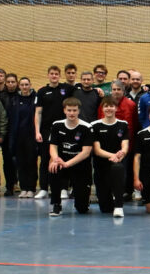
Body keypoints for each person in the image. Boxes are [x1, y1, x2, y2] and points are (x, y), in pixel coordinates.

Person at [46, 98, 91, 216]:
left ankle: (85, 200)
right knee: (53, 168)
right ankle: (56, 204)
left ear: (79, 111)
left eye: (74, 110)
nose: (72, 113)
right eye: (69, 110)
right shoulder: (57, 125)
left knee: (82, 210)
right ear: (64, 111)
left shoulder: (86, 127)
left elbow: (86, 152)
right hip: (61, 162)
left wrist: (68, 163)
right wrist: (56, 160)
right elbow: (53, 147)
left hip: (80, 165)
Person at [34, 65, 72, 199]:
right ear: (48, 75)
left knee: (62, 158)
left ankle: (63, 189)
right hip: (46, 130)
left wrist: (98, 89)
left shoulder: (66, 89)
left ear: (59, 76)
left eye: (56, 74)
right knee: (45, 159)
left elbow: (82, 88)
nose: (54, 76)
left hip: (63, 129)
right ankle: (44, 188)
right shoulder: (42, 91)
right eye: (52, 74)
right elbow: (38, 112)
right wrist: (37, 131)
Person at [91, 96, 130, 217]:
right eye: (106, 106)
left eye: (111, 106)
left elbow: (125, 145)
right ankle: (109, 201)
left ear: (116, 108)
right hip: (101, 166)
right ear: (102, 108)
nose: (109, 109)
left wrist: (121, 154)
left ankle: (119, 206)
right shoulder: (94, 125)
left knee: (117, 169)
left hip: (117, 163)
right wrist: (113, 155)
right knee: (105, 209)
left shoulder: (123, 125)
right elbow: (97, 150)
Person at [110, 81, 139, 200]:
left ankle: (123, 192)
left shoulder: (131, 104)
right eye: (114, 89)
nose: (116, 92)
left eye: (119, 89)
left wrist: (126, 145)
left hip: (126, 143)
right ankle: (110, 191)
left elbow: (133, 125)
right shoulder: (105, 104)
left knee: (125, 169)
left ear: (123, 91)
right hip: (109, 143)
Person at [10, 76, 38, 198]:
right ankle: (24, 188)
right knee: (20, 163)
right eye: (22, 85)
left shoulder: (36, 98)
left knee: (31, 162)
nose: (25, 87)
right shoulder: (14, 100)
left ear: (30, 85)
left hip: (31, 136)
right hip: (18, 137)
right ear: (19, 86)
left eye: (27, 84)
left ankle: (31, 188)